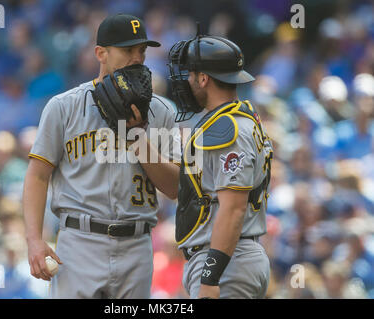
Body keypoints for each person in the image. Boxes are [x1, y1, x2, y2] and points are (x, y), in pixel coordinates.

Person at [22, 13, 181, 299]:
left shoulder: (162, 111)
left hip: (137, 244)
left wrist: (138, 135)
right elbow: (37, 174)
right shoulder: (64, 106)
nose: (136, 58)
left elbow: (174, 188)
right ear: (101, 53)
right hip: (80, 241)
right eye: (127, 50)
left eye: (141, 51)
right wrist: (34, 239)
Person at [168, 33, 273, 298]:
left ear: (203, 78)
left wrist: (210, 278)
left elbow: (234, 208)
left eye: (191, 74)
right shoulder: (237, 118)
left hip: (227, 263)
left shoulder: (227, 129)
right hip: (233, 258)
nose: (188, 81)